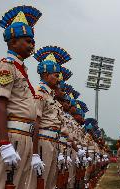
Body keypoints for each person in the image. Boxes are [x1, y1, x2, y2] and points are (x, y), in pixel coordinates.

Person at [0, 6, 42, 188]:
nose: (31, 46)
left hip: (25, 135)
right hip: (12, 135)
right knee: (4, 185)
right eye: (27, 41)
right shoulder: (6, 68)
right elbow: (1, 105)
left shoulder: (22, 71)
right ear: (13, 42)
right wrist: (4, 143)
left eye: (32, 42)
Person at [28, 45, 71, 188]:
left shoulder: (50, 97)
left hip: (53, 142)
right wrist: (34, 153)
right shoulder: (39, 93)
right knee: (39, 182)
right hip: (43, 142)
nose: (58, 79)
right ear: (46, 75)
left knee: (50, 183)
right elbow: (36, 123)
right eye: (56, 75)